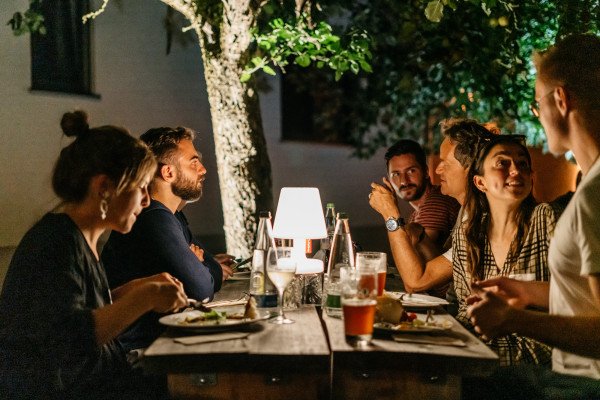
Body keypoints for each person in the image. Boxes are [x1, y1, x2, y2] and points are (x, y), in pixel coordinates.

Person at [0, 111, 188, 399]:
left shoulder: (79, 237)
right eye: (141, 187)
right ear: (104, 188)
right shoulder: (54, 242)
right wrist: (144, 298)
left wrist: (127, 291)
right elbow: (67, 339)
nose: (146, 200)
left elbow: (71, 307)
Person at [466, 33, 600, 397]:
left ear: (561, 99)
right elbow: (585, 296)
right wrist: (525, 291)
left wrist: (514, 320)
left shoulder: (593, 196)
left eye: (537, 103)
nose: (536, 115)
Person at [102, 126, 234, 351]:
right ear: (168, 173)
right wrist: (203, 267)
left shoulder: (172, 216)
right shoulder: (154, 217)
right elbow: (201, 289)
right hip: (136, 352)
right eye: (193, 162)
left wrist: (201, 264)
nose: (202, 170)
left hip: (154, 343)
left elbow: (207, 260)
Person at [454, 135, 555, 366]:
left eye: (523, 164)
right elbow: (465, 308)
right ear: (480, 182)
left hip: (538, 353)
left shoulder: (544, 218)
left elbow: (575, 295)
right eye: (502, 163)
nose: (516, 171)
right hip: (481, 345)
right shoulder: (467, 233)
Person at [369, 119, 497, 297]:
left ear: (471, 168)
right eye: (396, 174)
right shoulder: (467, 212)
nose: (437, 170)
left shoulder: (480, 221)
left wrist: (390, 216)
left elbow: (416, 281)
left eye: (445, 162)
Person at [381, 139, 460, 249]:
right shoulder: (418, 213)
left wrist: (390, 212)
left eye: (411, 171)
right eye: (396, 174)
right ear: (389, 180)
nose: (404, 181)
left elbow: (412, 259)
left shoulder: (434, 204)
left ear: (426, 172)